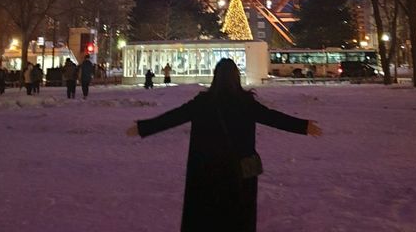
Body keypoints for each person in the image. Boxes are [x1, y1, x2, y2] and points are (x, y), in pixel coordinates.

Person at [127, 58, 321, 232]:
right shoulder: (245, 103)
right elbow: (272, 117)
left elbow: (174, 117)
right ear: (236, 77)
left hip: (206, 170)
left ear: (215, 77)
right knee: (238, 216)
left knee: (207, 216)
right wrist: (303, 126)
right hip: (239, 169)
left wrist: (143, 127)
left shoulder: (203, 103)